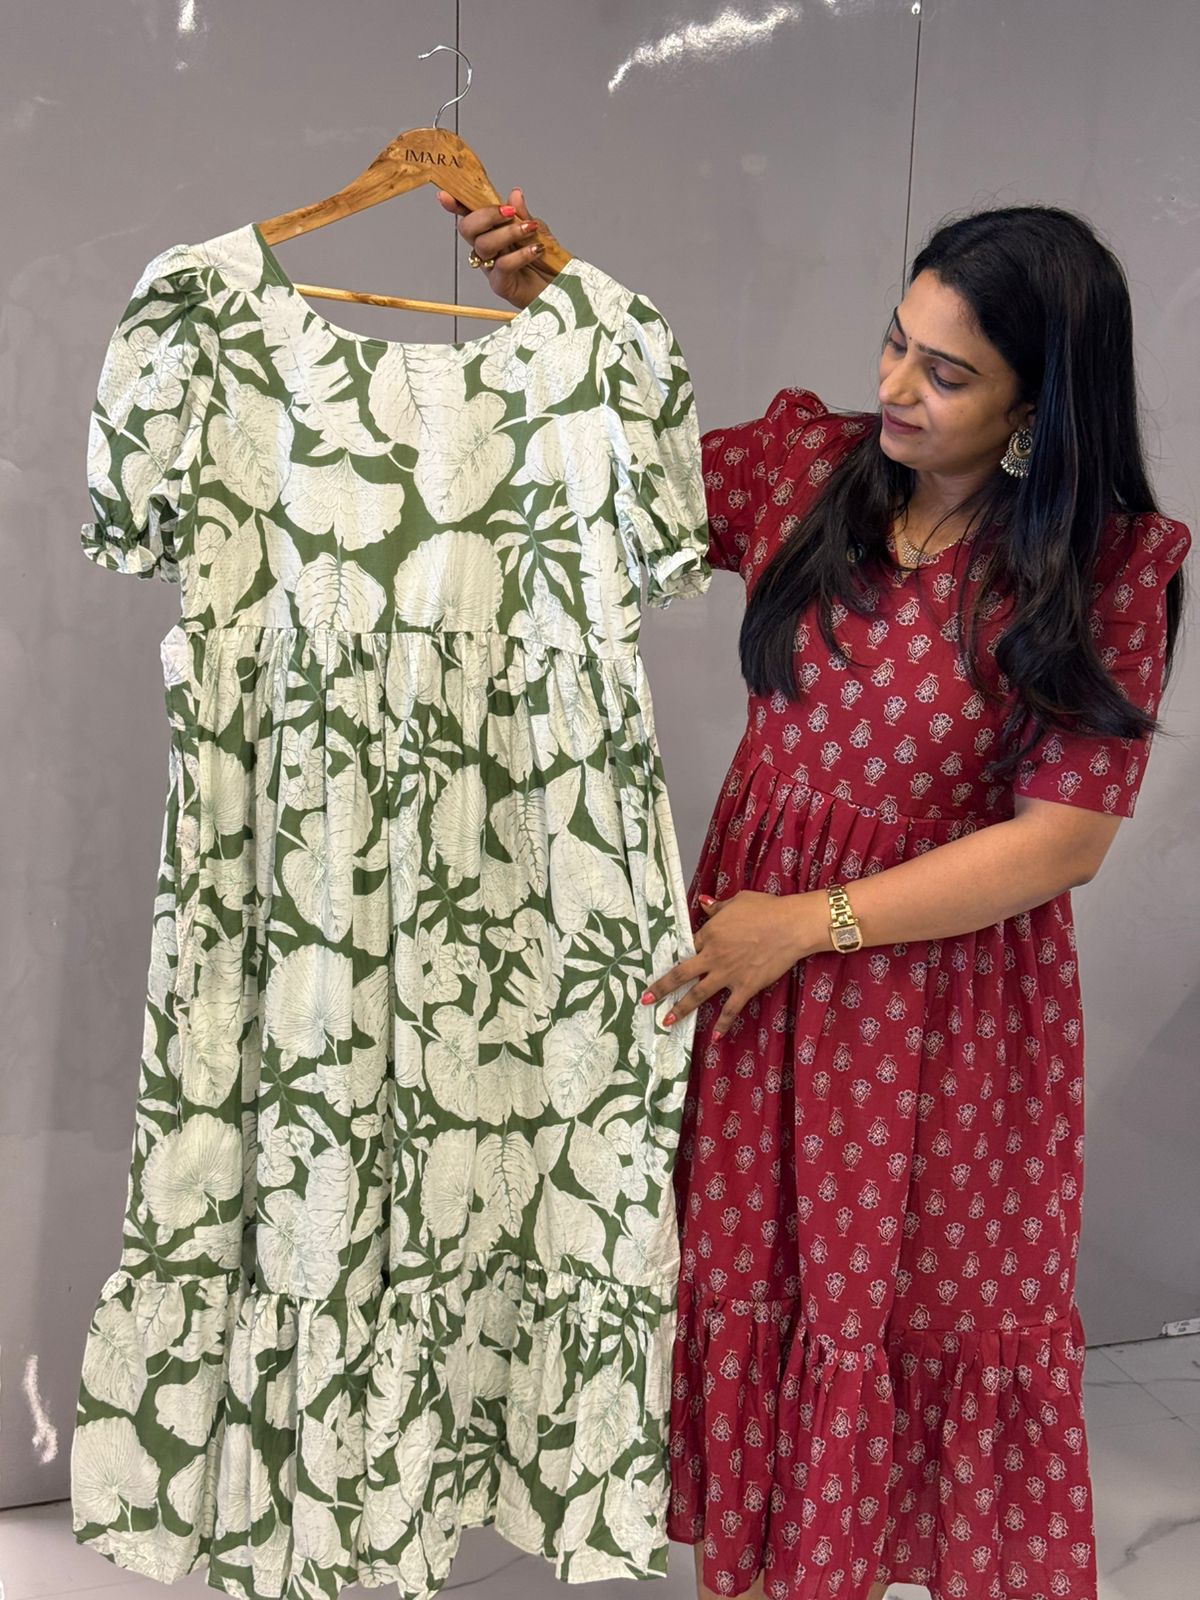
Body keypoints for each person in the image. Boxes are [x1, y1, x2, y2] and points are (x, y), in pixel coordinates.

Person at [437, 189, 1191, 1600]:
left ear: (1039, 408)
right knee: (755, 1290)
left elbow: (1060, 844)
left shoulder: (1099, 570)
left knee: (903, 1318)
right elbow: (628, 456)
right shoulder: (816, 472)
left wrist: (811, 923)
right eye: (895, 343)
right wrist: (559, 297)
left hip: (939, 1022)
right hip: (755, 993)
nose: (896, 387)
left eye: (947, 373)